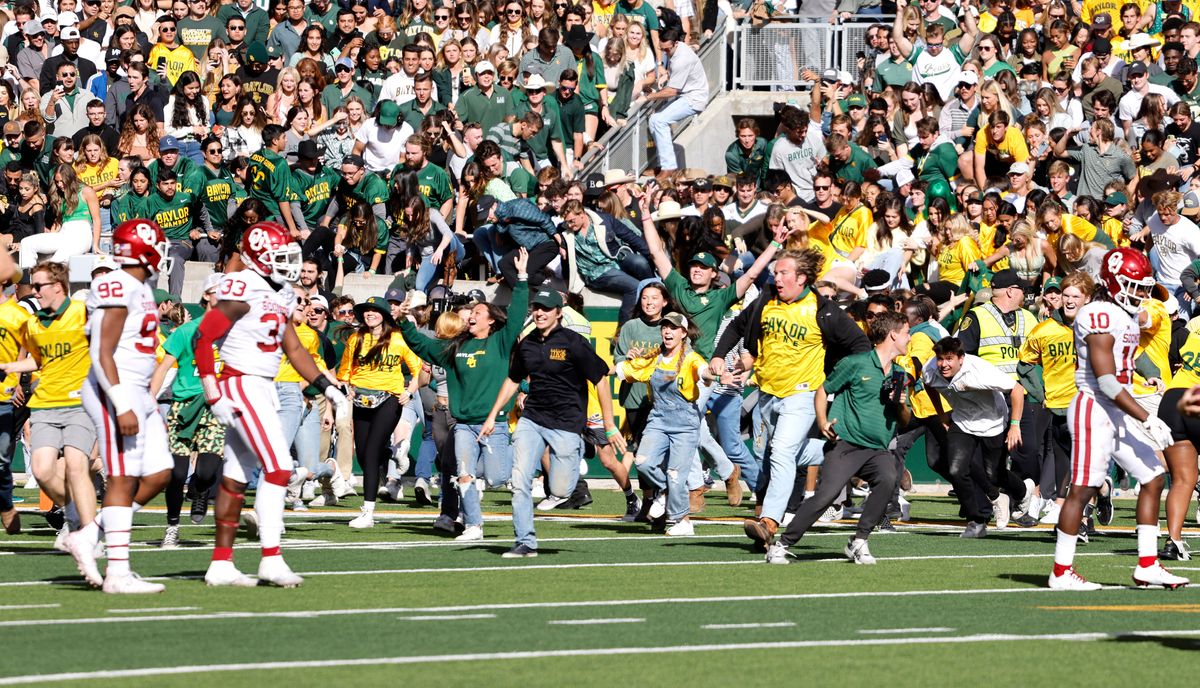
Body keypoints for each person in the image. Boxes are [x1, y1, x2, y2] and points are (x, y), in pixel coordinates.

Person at [193, 222, 349, 587]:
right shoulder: (243, 285)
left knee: (234, 476)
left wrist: (327, 386)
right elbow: (203, 336)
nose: (290, 264)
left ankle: (221, 564)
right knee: (279, 467)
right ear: (258, 258)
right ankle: (271, 558)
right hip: (240, 381)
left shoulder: (278, 293)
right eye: (280, 257)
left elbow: (292, 348)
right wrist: (213, 392)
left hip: (262, 383)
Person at [714, 248, 871, 549]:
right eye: (776, 272)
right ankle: (839, 453)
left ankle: (770, 521)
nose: (777, 277)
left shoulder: (823, 311)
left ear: (802, 278)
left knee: (782, 453)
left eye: (784, 272)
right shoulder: (766, 300)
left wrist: (842, 382)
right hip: (767, 391)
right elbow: (736, 325)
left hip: (805, 393)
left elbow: (861, 347)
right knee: (777, 455)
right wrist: (720, 356)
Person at [1050, 248, 1187, 590]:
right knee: (1083, 489)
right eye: (1134, 286)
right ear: (1113, 282)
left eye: (1143, 287)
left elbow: (1125, 363)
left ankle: (1147, 565)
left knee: (1153, 475)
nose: (1140, 294)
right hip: (1094, 408)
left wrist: (1150, 375)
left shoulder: (1123, 315)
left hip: (1116, 409)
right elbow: (1107, 380)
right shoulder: (1097, 313)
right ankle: (1061, 571)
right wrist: (1147, 417)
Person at [480, 288, 626, 558]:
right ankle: (525, 541)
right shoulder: (527, 343)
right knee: (520, 480)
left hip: (567, 423)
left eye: (546, 308)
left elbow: (601, 379)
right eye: (537, 307)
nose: (539, 313)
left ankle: (578, 453)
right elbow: (513, 380)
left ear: (559, 313)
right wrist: (492, 416)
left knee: (560, 489)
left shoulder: (573, 342)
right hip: (533, 419)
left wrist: (609, 425)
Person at [399, 249, 530, 540]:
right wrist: (404, 322)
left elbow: (519, 312)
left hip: (492, 424)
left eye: (478, 313)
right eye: (471, 313)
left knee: (496, 477)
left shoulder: (501, 341)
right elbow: (423, 346)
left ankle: (508, 471)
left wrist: (521, 278)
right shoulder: (456, 346)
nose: (471, 315)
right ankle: (473, 525)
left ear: (491, 321)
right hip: (463, 425)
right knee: (464, 472)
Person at [766, 310, 911, 565]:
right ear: (893, 334)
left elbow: (905, 420)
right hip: (846, 445)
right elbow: (823, 390)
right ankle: (781, 544)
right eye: (907, 333)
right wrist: (822, 421)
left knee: (889, 478)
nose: (910, 338)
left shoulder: (899, 374)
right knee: (825, 495)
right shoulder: (855, 363)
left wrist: (899, 404)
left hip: (878, 449)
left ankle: (859, 541)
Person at [78, 220, 174, 593]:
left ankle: (91, 534)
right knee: (121, 477)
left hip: (136, 390)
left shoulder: (140, 286)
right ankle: (117, 572)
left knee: (160, 472)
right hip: (113, 387)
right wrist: (121, 403)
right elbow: (101, 352)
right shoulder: (117, 284)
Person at [0, 261, 96, 580]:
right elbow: (36, 360)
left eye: (39, 285)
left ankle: (88, 532)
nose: (34, 291)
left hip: (79, 403)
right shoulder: (34, 323)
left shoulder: (83, 314)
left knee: (75, 467)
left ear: (58, 286)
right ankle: (74, 516)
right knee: (41, 471)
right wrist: (12, 368)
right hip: (44, 403)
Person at [616, 311, 715, 535]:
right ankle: (664, 492)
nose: (667, 331)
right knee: (643, 463)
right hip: (659, 418)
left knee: (675, 474)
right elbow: (626, 369)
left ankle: (683, 522)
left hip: (685, 423)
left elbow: (704, 371)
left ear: (683, 332)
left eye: (672, 327)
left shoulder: (691, 358)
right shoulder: (654, 357)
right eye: (664, 327)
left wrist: (713, 373)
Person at [337, 296, 423, 528]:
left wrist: (410, 391)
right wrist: (348, 388)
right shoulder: (355, 338)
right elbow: (344, 372)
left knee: (372, 452)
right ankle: (393, 452)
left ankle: (368, 511)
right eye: (366, 311)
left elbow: (420, 370)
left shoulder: (398, 338)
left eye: (375, 310)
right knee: (364, 456)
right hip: (361, 399)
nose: (370, 314)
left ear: (385, 314)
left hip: (389, 398)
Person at [641, 27, 707, 174]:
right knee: (654, 120)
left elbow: (672, 91)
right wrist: (668, 75)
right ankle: (662, 163)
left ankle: (668, 166)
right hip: (686, 94)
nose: (665, 53)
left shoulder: (682, 59)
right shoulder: (678, 48)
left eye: (667, 50)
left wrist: (648, 97)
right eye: (662, 49)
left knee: (659, 121)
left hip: (693, 98)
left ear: (676, 43)